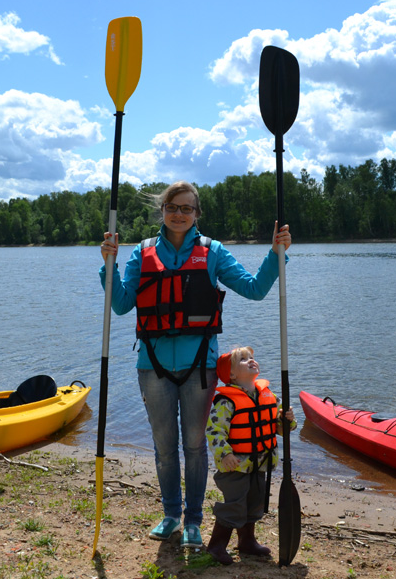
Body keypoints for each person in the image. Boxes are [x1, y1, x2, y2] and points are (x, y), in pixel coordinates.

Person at [99, 180, 291, 549]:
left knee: (195, 445)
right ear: (163, 211)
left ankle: (194, 520)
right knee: (164, 445)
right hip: (151, 365)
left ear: (197, 214)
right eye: (173, 207)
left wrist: (275, 253)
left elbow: (254, 289)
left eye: (187, 208)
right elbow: (122, 304)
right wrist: (109, 264)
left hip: (200, 367)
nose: (179, 214)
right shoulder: (142, 252)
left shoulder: (213, 252)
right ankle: (171, 514)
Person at [205, 346, 296, 565]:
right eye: (243, 359)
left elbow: (283, 428)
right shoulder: (227, 402)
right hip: (235, 465)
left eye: (252, 358)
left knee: (254, 504)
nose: (251, 360)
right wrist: (224, 454)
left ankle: (247, 541)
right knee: (234, 506)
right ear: (232, 375)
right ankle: (216, 546)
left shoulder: (268, 396)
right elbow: (214, 431)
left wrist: (288, 418)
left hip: (260, 463)